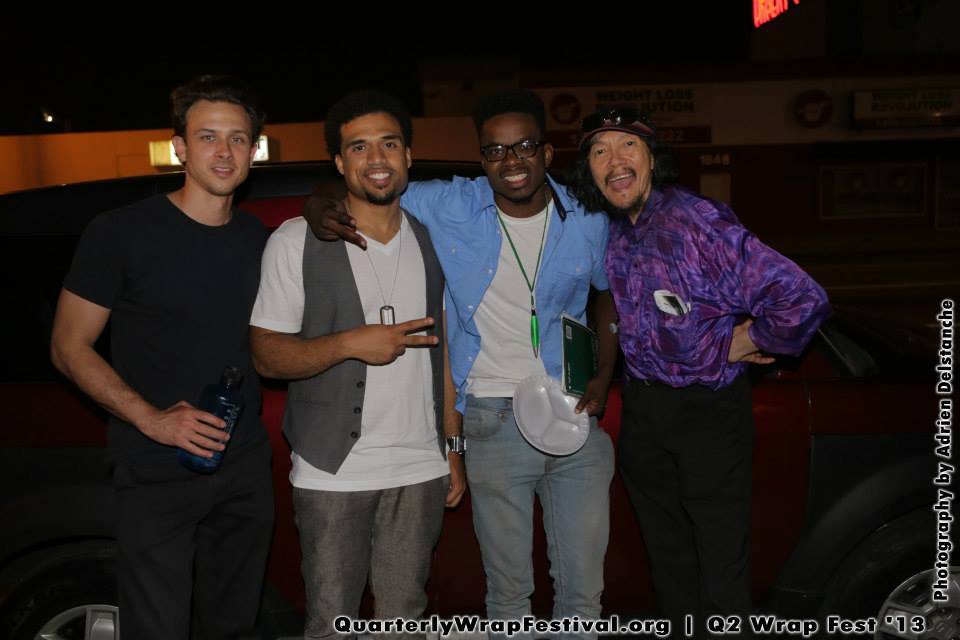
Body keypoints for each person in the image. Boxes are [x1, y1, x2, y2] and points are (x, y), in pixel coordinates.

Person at [305, 89, 617, 640]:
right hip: (492, 417)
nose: (511, 161)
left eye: (524, 146)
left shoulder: (588, 216)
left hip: (573, 415)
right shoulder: (451, 203)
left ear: (547, 152)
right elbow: (375, 185)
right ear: (482, 161)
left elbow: (609, 296)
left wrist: (603, 373)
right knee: (509, 592)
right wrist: (319, 198)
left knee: (582, 591)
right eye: (495, 151)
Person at [569, 107, 831, 632]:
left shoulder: (698, 222)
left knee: (719, 563)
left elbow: (802, 296)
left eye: (627, 148)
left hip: (707, 414)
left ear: (651, 159)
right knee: (669, 560)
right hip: (645, 408)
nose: (614, 161)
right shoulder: (619, 231)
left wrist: (745, 339)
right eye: (600, 151)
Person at [50, 75, 274, 640]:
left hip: (244, 468)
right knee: (158, 629)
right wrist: (152, 418)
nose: (224, 152)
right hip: (156, 469)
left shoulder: (259, 239)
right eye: (207, 137)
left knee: (233, 626)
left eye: (238, 139)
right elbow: (67, 346)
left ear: (254, 149)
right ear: (178, 147)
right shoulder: (121, 232)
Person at [250, 90, 465, 640]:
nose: (377, 159)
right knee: (331, 624)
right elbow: (267, 355)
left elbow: (442, 352)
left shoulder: (431, 238)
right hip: (332, 470)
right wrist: (348, 343)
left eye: (389, 144)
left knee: (405, 622)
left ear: (409, 156)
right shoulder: (296, 240)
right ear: (340, 163)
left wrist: (452, 450)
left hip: (419, 468)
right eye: (359, 147)